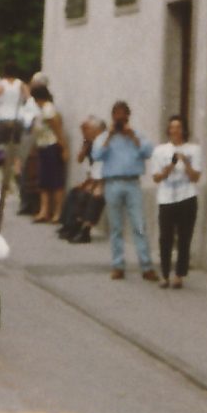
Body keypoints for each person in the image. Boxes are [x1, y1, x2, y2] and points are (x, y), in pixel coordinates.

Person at [92, 100, 156, 282]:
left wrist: (133, 137)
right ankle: (117, 265)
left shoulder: (136, 135)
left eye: (123, 114)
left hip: (132, 183)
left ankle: (146, 266)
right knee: (116, 227)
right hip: (113, 183)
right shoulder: (105, 136)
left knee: (139, 225)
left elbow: (149, 152)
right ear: (112, 117)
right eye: (116, 114)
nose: (120, 118)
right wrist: (109, 137)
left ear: (128, 116)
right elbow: (96, 155)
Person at [149, 115, 203, 288]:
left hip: (187, 197)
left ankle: (179, 274)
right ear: (168, 130)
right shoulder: (160, 150)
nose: (175, 131)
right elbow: (157, 178)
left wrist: (185, 162)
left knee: (184, 237)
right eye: (172, 127)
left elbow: (195, 177)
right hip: (166, 199)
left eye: (178, 127)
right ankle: (164, 274)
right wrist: (171, 165)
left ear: (184, 130)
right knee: (165, 237)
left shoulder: (194, 149)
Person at [28, 77, 67, 225]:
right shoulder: (41, 110)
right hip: (43, 147)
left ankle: (57, 212)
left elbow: (57, 130)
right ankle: (44, 210)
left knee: (55, 181)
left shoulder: (48, 109)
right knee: (44, 180)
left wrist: (64, 148)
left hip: (52, 146)